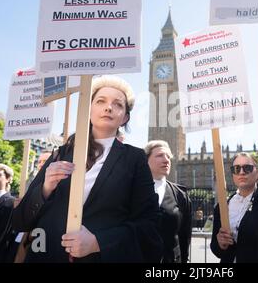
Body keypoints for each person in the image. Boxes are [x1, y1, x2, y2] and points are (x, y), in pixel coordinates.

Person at [13, 76, 163, 262]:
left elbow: (148, 225)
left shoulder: (135, 159)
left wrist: (98, 242)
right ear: (89, 109)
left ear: (124, 117)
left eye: (117, 104)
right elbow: (20, 221)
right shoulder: (60, 154)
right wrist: (45, 188)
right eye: (101, 101)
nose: (109, 107)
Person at [210, 152, 258, 263]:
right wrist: (220, 244)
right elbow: (216, 250)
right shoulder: (222, 206)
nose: (241, 172)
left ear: (257, 172)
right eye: (236, 169)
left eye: (247, 168)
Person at [144, 140, 192, 263]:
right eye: (160, 155)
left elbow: (184, 237)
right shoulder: (131, 190)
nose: (166, 160)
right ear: (146, 160)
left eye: (168, 157)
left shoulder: (180, 195)